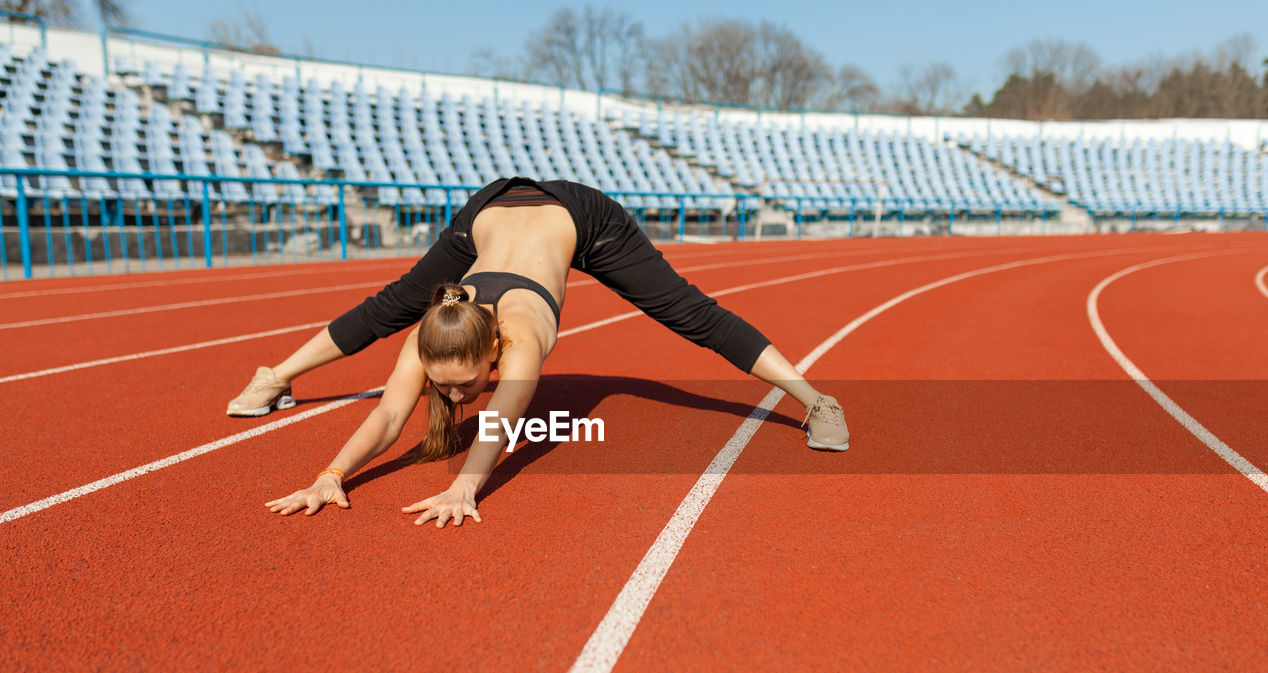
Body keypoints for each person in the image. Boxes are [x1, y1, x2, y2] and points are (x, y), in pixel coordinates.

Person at [246, 177, 849, 527]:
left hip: (582, 218)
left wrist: (466, 486)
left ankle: (816, 400)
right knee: (391, 303)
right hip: (491, 208)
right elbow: (387, 414)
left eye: (462, 386)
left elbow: (502, 421)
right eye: (442, 385)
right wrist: (330, 475)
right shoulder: (437, 328)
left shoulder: (521, 338)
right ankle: (276, 374)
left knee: (689, 312)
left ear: (494, 356)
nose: (453, 398)